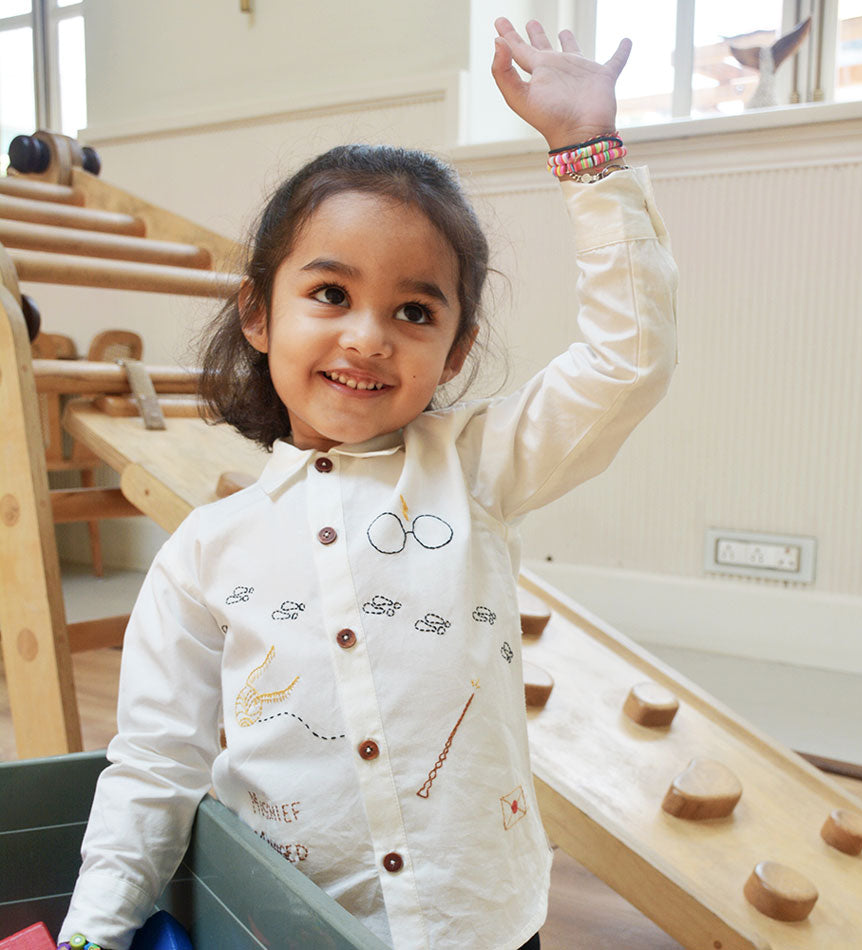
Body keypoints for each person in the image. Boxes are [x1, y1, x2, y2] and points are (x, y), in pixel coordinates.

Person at [58, 16, 677, 950]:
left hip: (481, 923)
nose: (367, 337)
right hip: (288, 928)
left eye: (414, 310)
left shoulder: (476, 469)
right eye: (330, 294)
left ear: (455, 351)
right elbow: (154, 764)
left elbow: (628, 364)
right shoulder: (204, 553)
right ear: (258, 313)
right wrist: (93, 933)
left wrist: (588, 155)